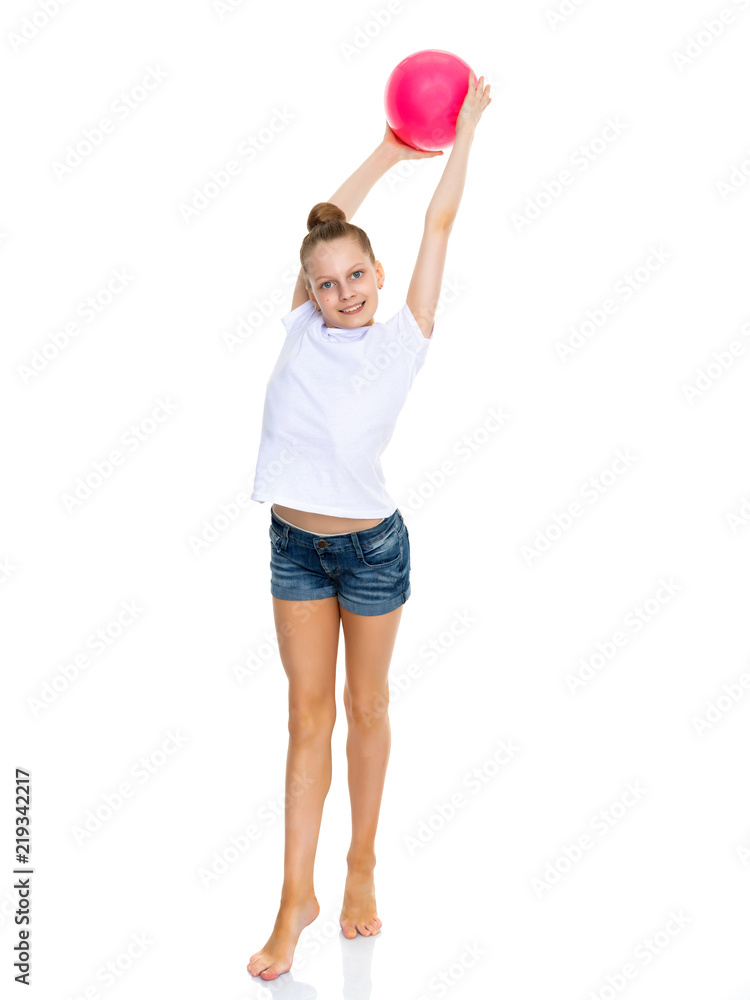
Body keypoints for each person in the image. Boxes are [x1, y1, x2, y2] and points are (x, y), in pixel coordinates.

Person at [247, 71, 492, 981]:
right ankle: (291, 902)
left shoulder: (403, 338)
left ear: (379, 278)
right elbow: (321, 226)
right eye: (328, 281)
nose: (344, 291)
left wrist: (462, 131)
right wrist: (388, 151)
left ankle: (361, 867)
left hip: (373, 550)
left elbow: (438, 225)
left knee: (365, 707)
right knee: (304, 718)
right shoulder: (304, 327)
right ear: (308, 291)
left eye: (358, 275)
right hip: (294, 546)